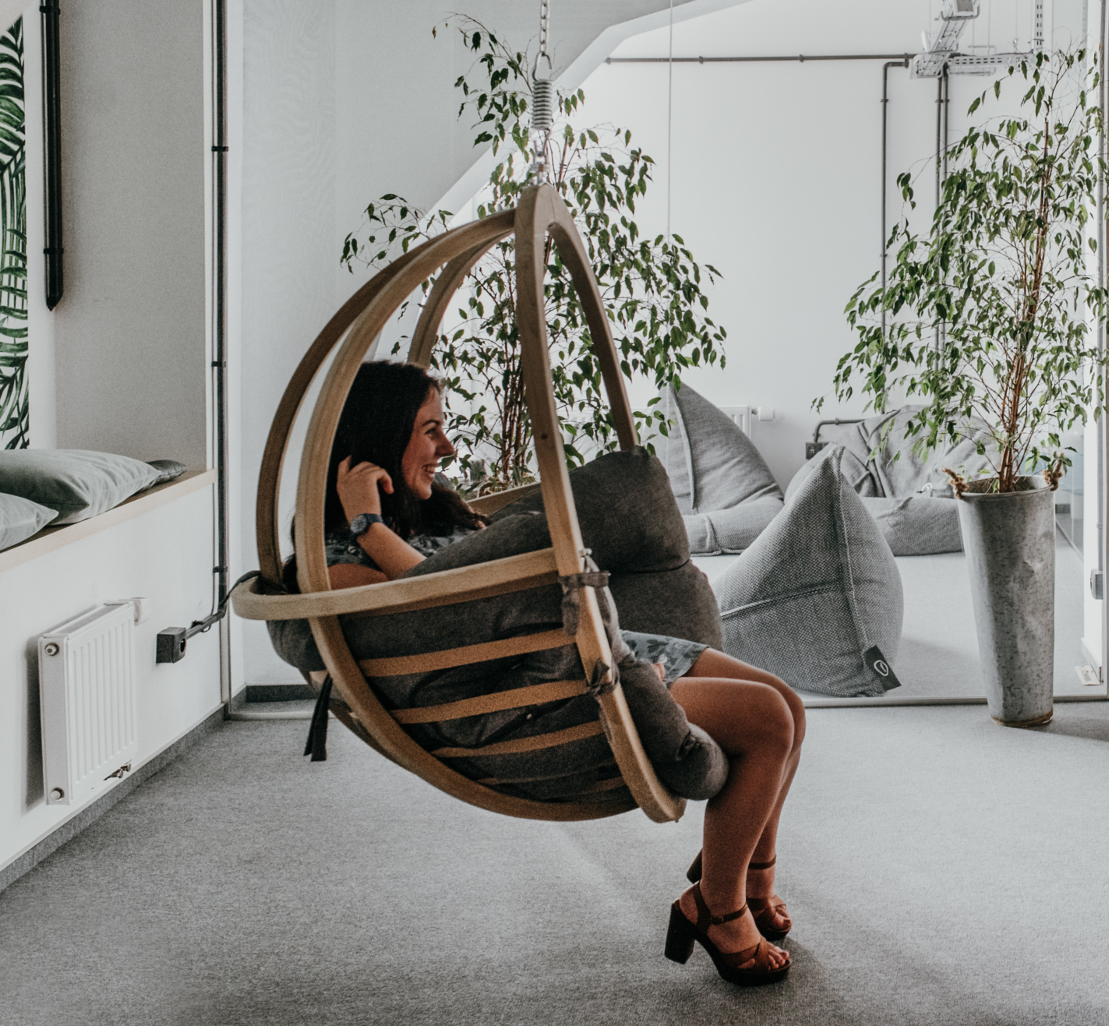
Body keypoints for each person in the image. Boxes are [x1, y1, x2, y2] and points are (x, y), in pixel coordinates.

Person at [323, 361, 805, 988]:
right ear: (382, 436)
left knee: (788, 704)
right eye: (430, 430)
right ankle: (717, 907)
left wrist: (400, 522)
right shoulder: (339, 556)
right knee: (766, 724)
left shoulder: (433, 516)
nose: (447, 447)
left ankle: (750, 878)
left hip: (606, 645)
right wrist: (368, 524)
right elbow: (440, 606)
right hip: (557, 683)